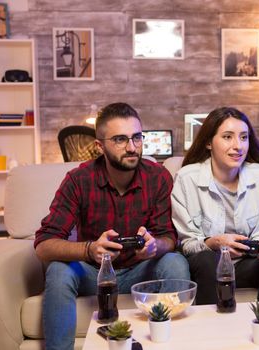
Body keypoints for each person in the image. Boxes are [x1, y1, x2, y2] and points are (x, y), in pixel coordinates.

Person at [35, 102, 190, 350]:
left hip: (140, 270)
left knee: (175, 261)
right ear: (100, 146)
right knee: (58, 270)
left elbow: (169, 238)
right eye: (120, 139)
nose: (132, 147)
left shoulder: (158, 177)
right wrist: (89, 249)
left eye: (137, 138)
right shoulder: (78, 180)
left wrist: (154, 246)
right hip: (93, 273)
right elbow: (44, 245)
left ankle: (170, 345)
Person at [171, 106, 259, 320]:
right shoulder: (186, 178)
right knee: (207, 259)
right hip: (206, 268)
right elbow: (186, 243)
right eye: (227, 137)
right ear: (209, 142)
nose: (238, 146)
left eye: (244, 137)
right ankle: (216, 334)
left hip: (246, 264)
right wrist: (214, 242)